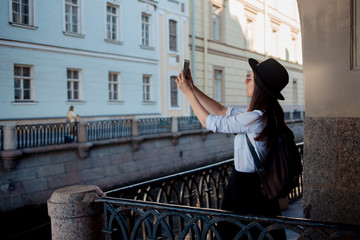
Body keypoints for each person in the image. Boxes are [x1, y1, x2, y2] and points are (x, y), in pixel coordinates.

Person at [175, 58, 289, 239]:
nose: (246, 80)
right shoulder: (261, 115)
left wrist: (188, 93)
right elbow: (220, 110)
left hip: (247, 190)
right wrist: (193, 88)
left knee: (239, 234)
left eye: (249, 78)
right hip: (252, 188)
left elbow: (209, 121)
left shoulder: (256, 118)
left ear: (260, 85)